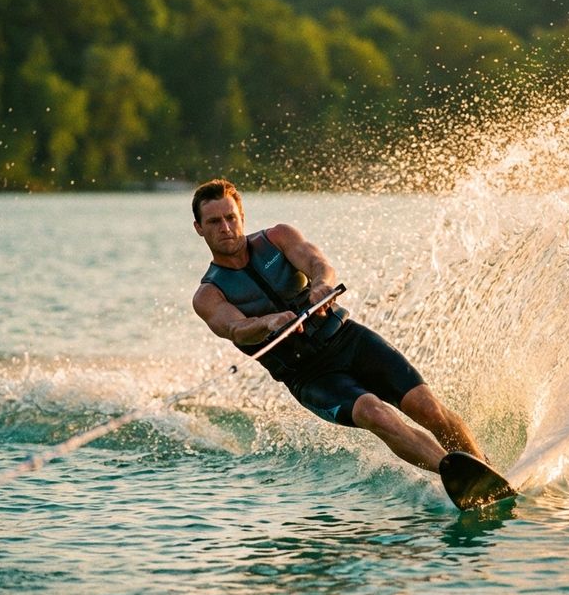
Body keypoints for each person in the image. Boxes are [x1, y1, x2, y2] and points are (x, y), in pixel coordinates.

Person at [191, 178, 485, 473]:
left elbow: (320, 265)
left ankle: (484, 467)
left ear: (242, 216)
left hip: (349, 340)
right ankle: (458, 475)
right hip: (310, 376)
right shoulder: (208, 294)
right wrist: (269, 322)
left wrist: (320, 285)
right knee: (375, 413)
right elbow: (235, 329)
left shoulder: (278, 238)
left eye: (230, 218)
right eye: (214, 222)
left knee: (427, 408)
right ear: (199, 229)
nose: (226, 228)